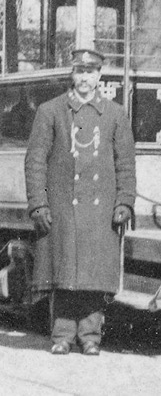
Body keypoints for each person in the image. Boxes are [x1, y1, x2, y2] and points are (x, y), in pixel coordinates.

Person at [25, 48, 136, 356]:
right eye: (79, 72)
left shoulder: (115, 114)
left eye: (91, 72)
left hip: (101, 210)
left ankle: (90, 336)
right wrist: (38, 204)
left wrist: (125, 201)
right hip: (61, 207)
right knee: (62, 273)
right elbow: (35, 162)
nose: (85, 78)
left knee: (94, 275)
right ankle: (61, 336)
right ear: (71, 75)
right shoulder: (50, 112)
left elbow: (125, 162)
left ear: (99, 75)